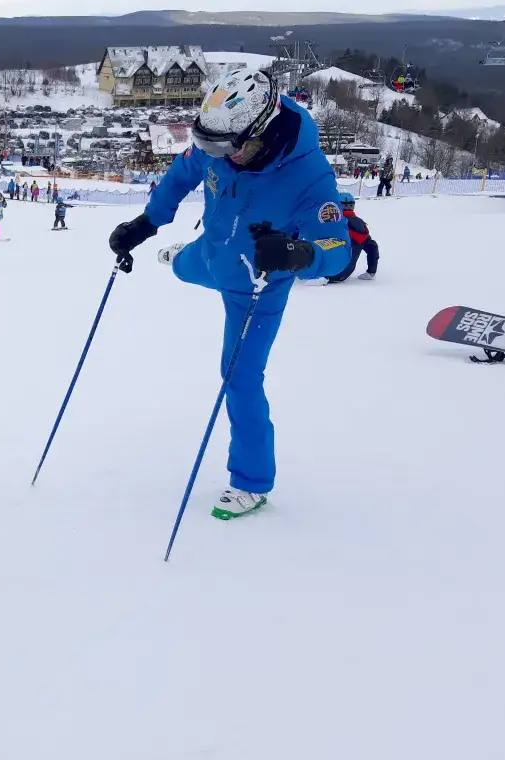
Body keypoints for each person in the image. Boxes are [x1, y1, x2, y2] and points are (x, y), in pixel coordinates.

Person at [109, 69, 349, 519]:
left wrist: (298, 255)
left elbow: (337, 250)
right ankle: (180, 255)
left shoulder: (308, 173)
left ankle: (252, 482)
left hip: (255, 286)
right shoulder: (220, 141)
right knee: (184, 267)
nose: (214, 157)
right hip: (213, 252)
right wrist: (146, 224)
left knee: (238, 375)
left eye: (222, 150)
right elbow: (182, 174)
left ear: (260, 130)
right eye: (208, 147)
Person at [323, 193, 378, 283]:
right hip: (344, 274)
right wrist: (371, 272)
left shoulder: (331, 221)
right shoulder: (361, 225)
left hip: (323, 272)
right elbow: (372, 247)